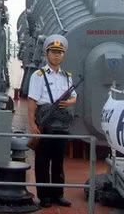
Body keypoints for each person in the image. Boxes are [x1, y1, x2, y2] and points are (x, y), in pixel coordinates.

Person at [27, 34, 76, 208]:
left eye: (60, 52)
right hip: (45, 123)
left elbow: (74, 97)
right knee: (42, 161)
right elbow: (32, 101)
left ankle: (57, 195)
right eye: (53, 52)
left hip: (60, 125)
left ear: (63, 55)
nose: (57, 55)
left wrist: (68, 102)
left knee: (58, 161)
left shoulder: (67, 77)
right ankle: (44, 196)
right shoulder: (38, 76)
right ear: (46, 53)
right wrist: (32, 124)